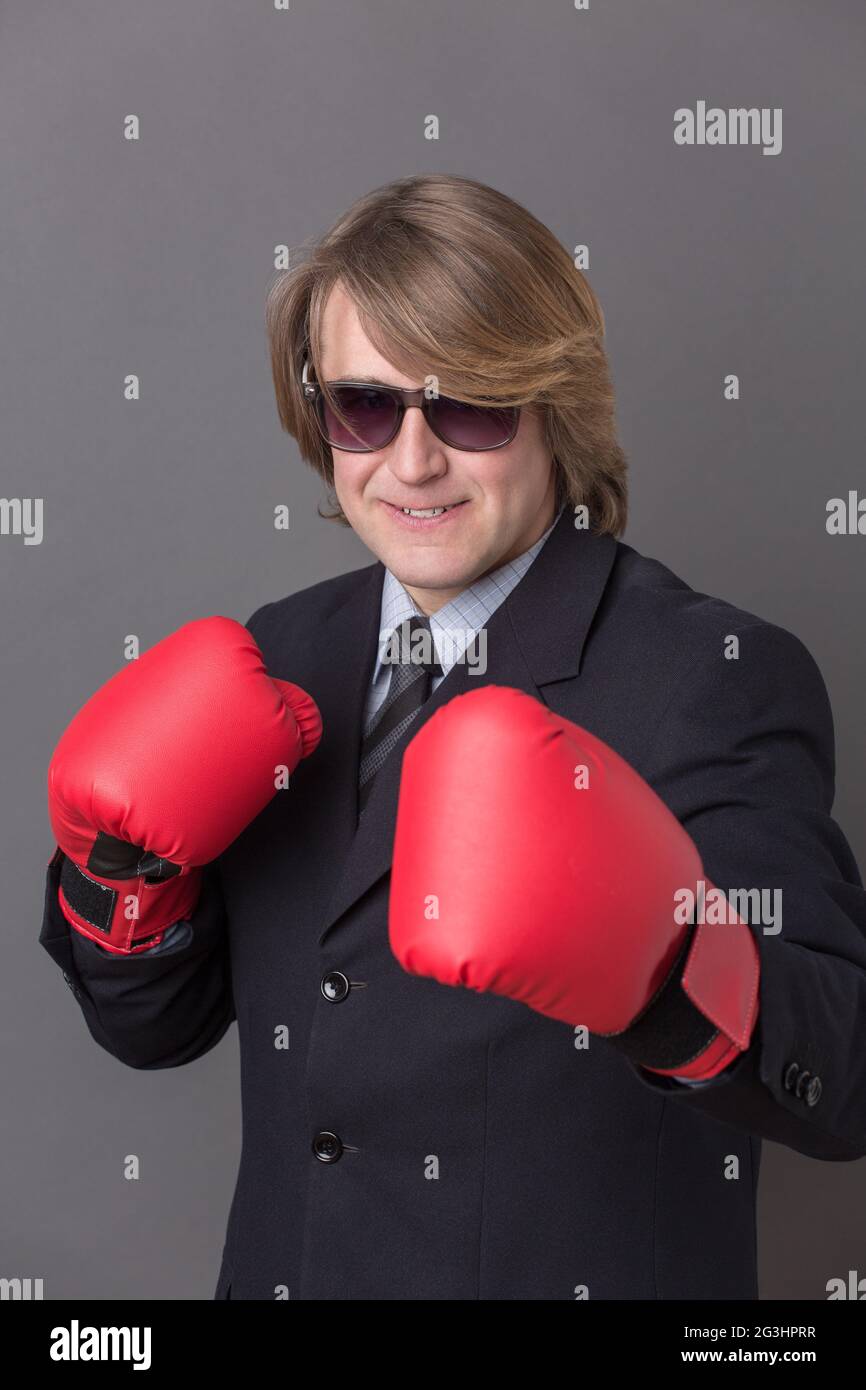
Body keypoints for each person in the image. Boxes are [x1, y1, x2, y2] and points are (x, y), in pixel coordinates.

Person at [40, 173, 866, 1301]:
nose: (413, 460)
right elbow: (155, 1031)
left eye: (469, 403)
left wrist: (675, 972)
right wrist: (120, 882)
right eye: (365, 406)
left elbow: (847, 1077)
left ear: (555, 405)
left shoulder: (704, 679)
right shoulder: (281, 656)